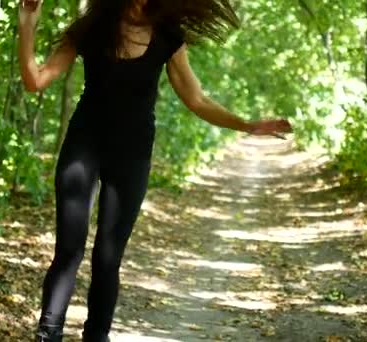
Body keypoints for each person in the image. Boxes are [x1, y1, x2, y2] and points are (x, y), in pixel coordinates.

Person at [18, 0, 292, 341]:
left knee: (108, 256)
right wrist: (27, 23)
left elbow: (198, 101)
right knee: (68, 250)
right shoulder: (90, 28)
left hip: (131, 156)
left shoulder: (167, 36)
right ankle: (48, 335)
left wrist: (248, 125)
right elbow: (35, 80)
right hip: (84, 147)